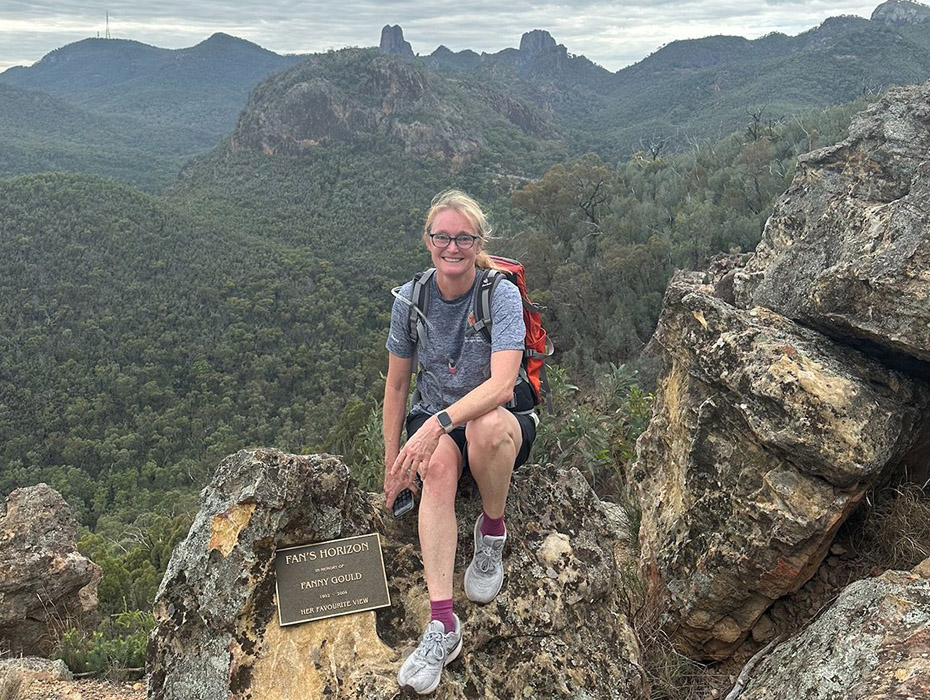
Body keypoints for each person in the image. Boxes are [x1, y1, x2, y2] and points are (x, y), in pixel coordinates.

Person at [383, 190, 537, 695]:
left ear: (478, 243)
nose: (453, 246)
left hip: (497, 422)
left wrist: (437, 423)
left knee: (485, 427)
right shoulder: (410, 300)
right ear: (428, 241)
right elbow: (398, 385)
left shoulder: (500, 295)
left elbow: (502, 385)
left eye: (463, 237)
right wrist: (394, 461)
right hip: (439, 422)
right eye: (443, 236)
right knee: (438, 471)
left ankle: (492, 530)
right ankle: (442, 623)